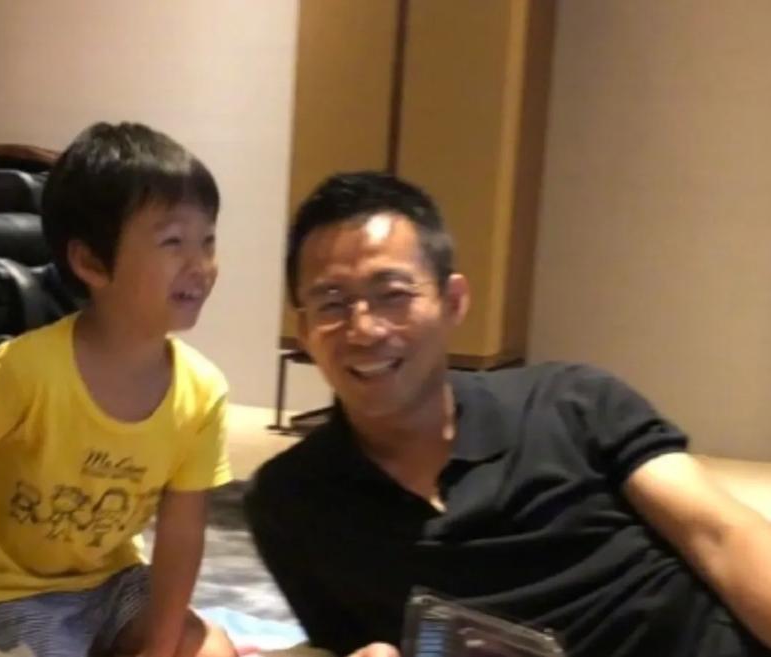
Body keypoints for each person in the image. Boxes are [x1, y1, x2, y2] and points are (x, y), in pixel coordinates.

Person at [244, 171, 771, 657]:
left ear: (453, 301)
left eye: (392, 295)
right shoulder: (289, 501)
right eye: (332, 303)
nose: (365, 329)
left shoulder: (572, 403)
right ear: (305, 329)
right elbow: (351, 644)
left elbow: (722, 536)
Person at [0, 122, 237, 657]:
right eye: (173, 241)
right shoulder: (28, 370)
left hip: (114, 584)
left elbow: (181, 532)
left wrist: (161, 646)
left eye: (207, 240)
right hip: (8, 592)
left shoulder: (203, 391)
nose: (200, 265)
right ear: (91, 262)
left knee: (209, 646)